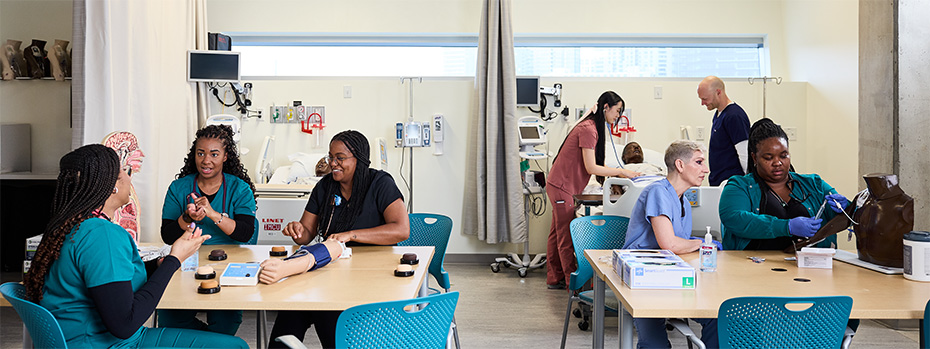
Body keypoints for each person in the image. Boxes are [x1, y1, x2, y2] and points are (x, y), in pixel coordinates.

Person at [23, 144, 247, 349]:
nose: (130, 178)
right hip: (111, 344)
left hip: (79, 339)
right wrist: (174, 260)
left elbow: (107, 281)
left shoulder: (69, 226)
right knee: (235, 347)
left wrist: (158, 264)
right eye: (125, 172)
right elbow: (125, 324)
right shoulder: (102, 235)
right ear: (112, 186)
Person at [265, 130, 410, 348]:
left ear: (359, 159)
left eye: (340, 158)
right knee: (292, 310)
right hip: (332, 271)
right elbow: (307, 233)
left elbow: (401, 229)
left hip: (373, 275)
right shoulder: (325, 187)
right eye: (331, 157)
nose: (333, 163)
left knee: (328, 313)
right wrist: (297, 230)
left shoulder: (380, 183)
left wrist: (351, 235)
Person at [159, 124, 258, 335]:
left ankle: (210, 341)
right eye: (200, 153)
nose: (206, 160)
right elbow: (167, 235)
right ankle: (208, 341)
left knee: (225, 325)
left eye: (214, 154)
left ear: (225, 157)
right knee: (170, 320)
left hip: (228, 266)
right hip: (186, 264)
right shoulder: (178, 188)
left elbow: (245, 232)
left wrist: (213, 214)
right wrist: (187, 218)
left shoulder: (239, 189)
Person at [620, 140, 719, 349]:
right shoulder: (658, 192)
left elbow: (680, 247)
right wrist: (702, 244)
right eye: (699, 162)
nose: (706, 169)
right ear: (680, 165)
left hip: (670, 276)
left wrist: (698, 246)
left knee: (718, 319)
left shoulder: (683, 200)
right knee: (655, 345)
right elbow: (670, 244)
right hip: (643, 281)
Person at [546, 91, 641, 290]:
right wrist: (621, 172)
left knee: (556, 233)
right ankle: (574, 285)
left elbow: (594, 164)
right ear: (606, 107)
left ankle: (554, 278)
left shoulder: (591, 126)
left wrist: (620, 173)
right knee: (565, 237)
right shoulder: (588, 129)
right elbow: (591, 168)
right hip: (562, 186)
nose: (618, 115)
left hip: (560, 184)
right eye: (617, 111)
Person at [718, 118, 847, 251]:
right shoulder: (739, 186)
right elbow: (735, 218)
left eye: (783, 156)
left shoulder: (814, 184)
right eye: (769, 158)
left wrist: (846, 208)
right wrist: (786, 226)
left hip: (809, 262)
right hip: (753, 262)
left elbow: (852, 217)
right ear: (755, 158)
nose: (777, 163)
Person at [696, 76, 751, 186]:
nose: (702, 103)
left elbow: (745, 154)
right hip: (719, 181)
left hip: (732, 183)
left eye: (705, 99)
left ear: (718, 92)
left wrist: (748, 183)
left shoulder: (734, 116)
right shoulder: (719, 115)